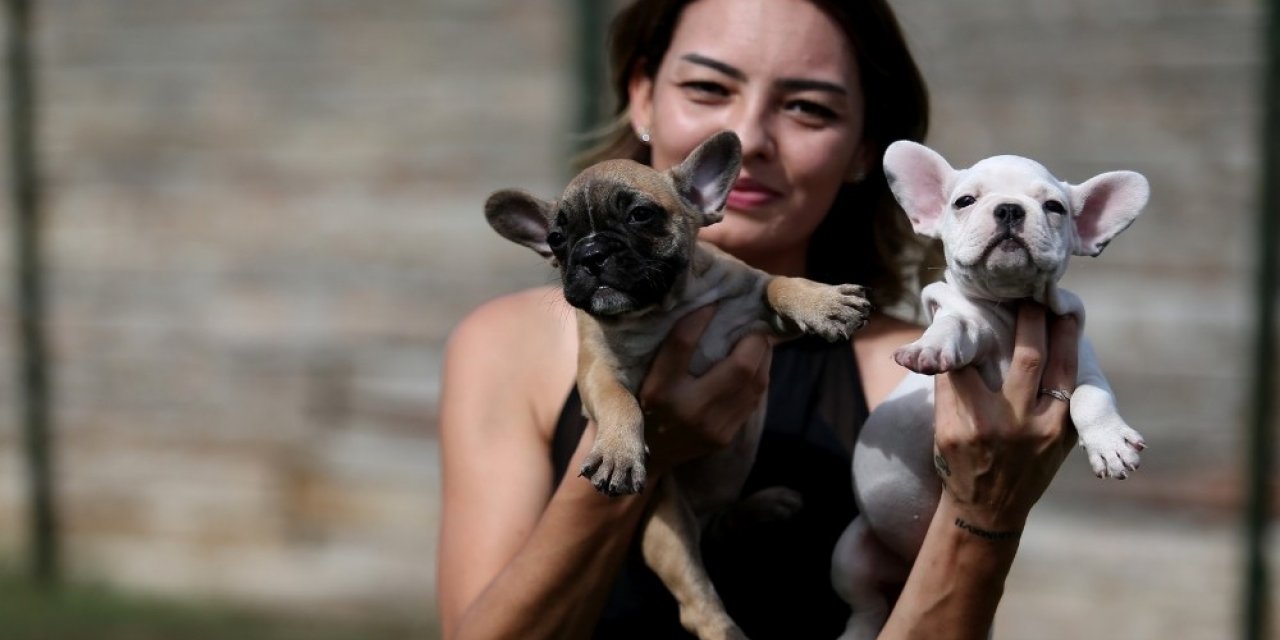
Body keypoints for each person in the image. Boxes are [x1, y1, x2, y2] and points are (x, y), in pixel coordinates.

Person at [436, 0, 1080, 638]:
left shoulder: (919, 372)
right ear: (642, 96)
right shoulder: (504, 347)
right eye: (708, 87)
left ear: (865, 149)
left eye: (809, 108)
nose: (751, 136)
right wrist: (642, 454)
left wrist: (987, 511)